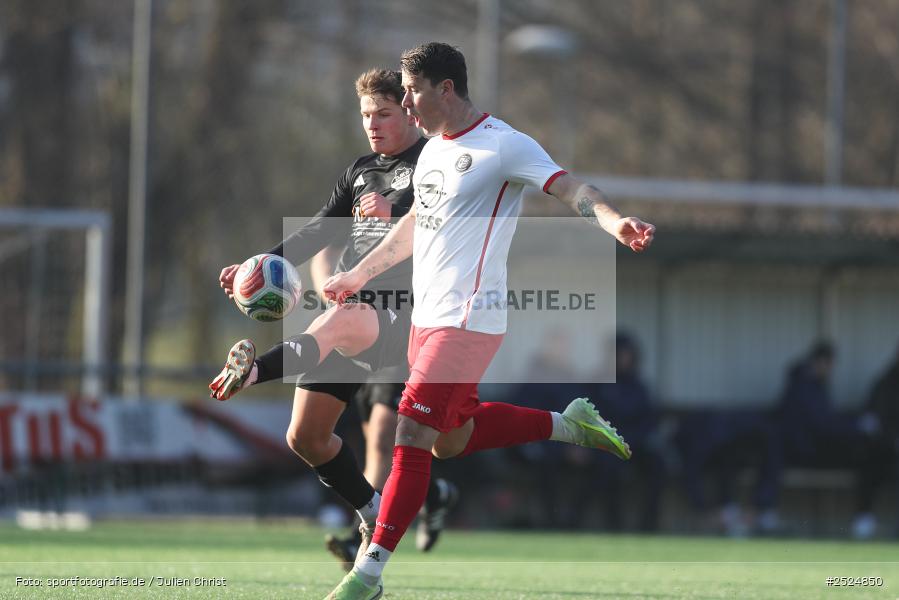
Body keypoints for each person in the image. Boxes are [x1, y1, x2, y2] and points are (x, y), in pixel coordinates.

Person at [322, 43, 655, 599]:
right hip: (427, 321)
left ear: (445, 89)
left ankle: (369, 574)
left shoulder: (504, 145)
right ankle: (568, 424)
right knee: (449, 441)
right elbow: (414, 229)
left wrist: (613, 220)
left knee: (409, 431)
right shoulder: (431, 151)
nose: (404, 101)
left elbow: (572, 187)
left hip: (470, 319)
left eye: (412, 90)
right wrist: (358, 274)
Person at [208, 68, 455, 568]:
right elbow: (320, 230)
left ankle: (255, 370)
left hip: (405, 312)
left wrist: (395, 213)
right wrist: (261, 263)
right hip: (354, 302)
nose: (373, 124)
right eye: (365, 115)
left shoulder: (436, 160)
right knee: (305, 437)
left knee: (351, 339)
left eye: (383, 113)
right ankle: (372, 511)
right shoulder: (360, 170)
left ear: (408, 111)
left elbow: (447, 226)